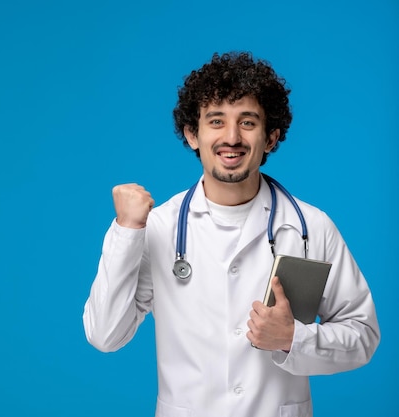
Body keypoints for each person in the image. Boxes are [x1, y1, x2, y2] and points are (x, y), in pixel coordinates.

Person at [82, 52, 380, 417]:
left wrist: (293, 339)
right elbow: (105, 335)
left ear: (271, 137)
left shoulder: (311, 227)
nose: (232, 137)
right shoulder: (160, 227)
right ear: (193, 134)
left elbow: (363, 336)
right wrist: (126, 231)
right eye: (216, 121)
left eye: (248, 122)